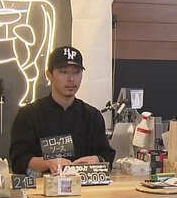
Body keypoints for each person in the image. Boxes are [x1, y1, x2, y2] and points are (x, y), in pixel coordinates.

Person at [9, 45, 116, 174]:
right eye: (64, 72)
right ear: (50, 75)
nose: (71, 79)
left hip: (86, 190)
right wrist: (48, 163)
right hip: (41, 190)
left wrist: (97, 159)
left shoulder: (92, 116)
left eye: (76, 72)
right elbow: (18, 159)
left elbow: (106, 155)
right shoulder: (29, 114)